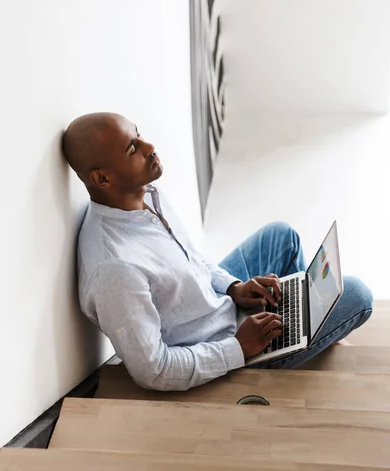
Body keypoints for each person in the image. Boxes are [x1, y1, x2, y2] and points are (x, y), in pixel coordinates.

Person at [63, 112, 373, 391]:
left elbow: (190, 259)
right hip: (219, 346)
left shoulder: (144, 196)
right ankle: (286, 353)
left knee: (281, 237)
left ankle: (299, 334)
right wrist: (239, 347)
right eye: (133, 148)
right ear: (102, 178)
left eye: (139, 134)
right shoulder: (115, 270)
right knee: (358, 293)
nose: (149, 146)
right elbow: (153, 370)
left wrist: (234, 288)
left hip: (216, 305)